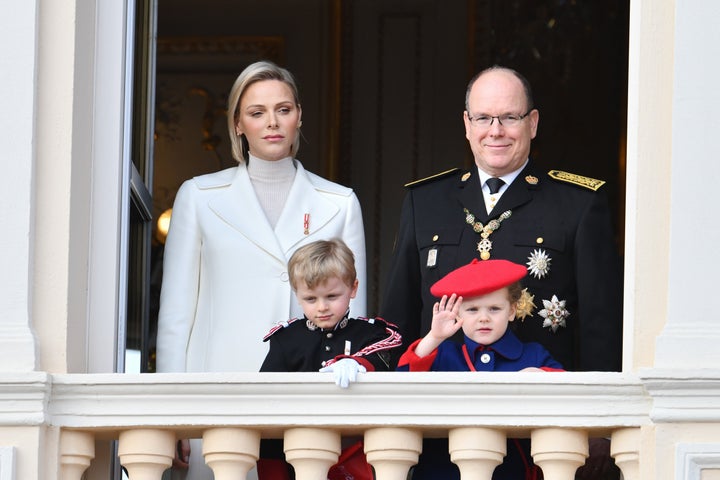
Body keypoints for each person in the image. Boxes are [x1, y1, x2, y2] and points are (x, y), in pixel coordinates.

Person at [381, 65, 623, 478]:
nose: (496, 131)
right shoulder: (425, 201)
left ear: (532, 123)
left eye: (510, 117)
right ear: (466, 124)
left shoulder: (577, 204)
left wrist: (601, 424)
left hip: (541, 436)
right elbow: (397, 319)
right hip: (437, 432)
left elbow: (601, 324)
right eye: (483, 118)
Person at [156, 60, 367, 480]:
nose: (272, 122)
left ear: (299, 116)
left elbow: (354, 320)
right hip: (217, 396)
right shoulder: (199, 196)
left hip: (307, 402)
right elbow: (176, 316)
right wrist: (172, 413)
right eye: (257, 112)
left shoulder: (339, 202)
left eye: (283, 109)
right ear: (237, 123)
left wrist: (349, 413)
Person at [397, 258, 563, 480]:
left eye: (494, 308)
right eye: (472, 309)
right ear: (458, 314)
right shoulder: (444, 353)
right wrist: (434, 337)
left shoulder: (532, 355)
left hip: (510, 472)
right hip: (443, 471)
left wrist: (541, 375)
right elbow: (402, 381)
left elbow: (566, 389)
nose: (483, 317)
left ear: (512, 310)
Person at [259, 238, 401, 480]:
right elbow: (268, 403)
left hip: (357, 456)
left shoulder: (371, 333)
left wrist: (358, 363)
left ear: (353, 288)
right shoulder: (286, 339)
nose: (322, 307)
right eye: (311, 299)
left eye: (332, 296)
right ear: (297, 295)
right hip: (298, 457)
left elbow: (386, 355)